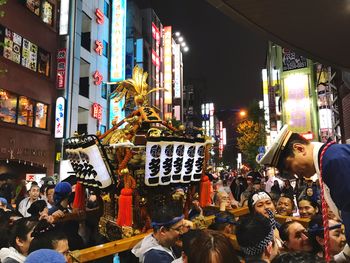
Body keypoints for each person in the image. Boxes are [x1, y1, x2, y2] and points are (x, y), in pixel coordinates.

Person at [259, 124, 350, 245]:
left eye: (289, 167)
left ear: (299, 149)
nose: (295, 174)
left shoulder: (333, 161)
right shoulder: (330, 157)